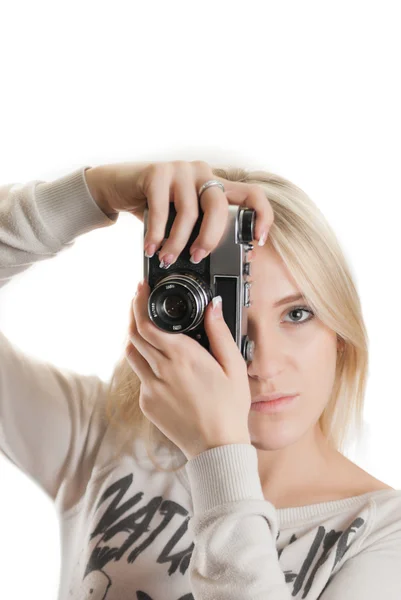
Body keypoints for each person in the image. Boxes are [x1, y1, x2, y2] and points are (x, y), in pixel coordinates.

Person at [0, 160, 400, 599]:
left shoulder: (381, 534)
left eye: (297, 314)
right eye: (231, 321)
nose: (263, 364)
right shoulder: (100, 440)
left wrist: (219, 457)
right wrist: (96, 193)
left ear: (339, 332)